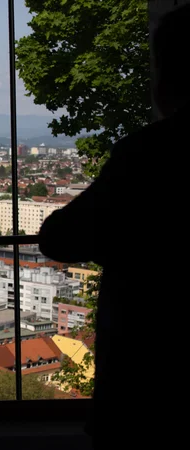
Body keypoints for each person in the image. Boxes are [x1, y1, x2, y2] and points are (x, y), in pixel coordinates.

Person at [38, 5, 189, 448]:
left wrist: (125, 244)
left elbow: (59, 237)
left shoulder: (151, 152)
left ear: (167, 78)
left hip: (147, 370)